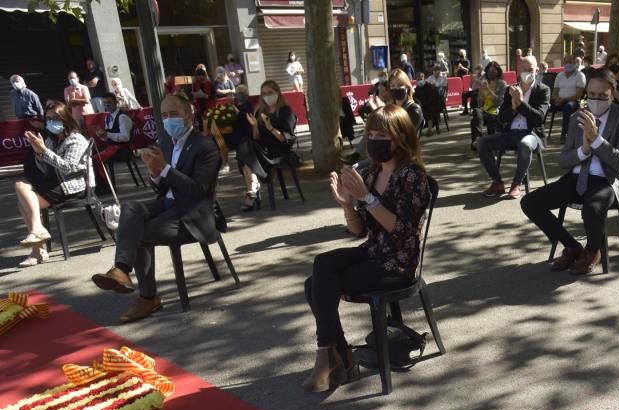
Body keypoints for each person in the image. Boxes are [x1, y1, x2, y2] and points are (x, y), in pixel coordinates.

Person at [303, 104, 431, 393]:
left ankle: (336, 357)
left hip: (397, 262)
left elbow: (402, 231)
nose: (374, 139)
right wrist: (348, 204)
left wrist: (367, 197)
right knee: (322, 267)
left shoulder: (413, 176)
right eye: (370, 132)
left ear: (401, 137)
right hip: (374, 251)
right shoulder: (372, 174)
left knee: (317, 286)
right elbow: (359, 230)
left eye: (381, 134)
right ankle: (332, 351)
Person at [91, 93, 221, 322]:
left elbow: (198, 191)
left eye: (174, 114)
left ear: (188, 114)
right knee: (131, 209)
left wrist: (164, 169)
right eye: (164, 116)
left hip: (193, 214)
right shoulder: (167, 144)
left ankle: (148, 298)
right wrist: (154, 173)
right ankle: (121, 270)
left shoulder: (205, 147)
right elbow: (161, 188)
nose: (169, 120)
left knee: (137, 232)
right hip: (168, 204)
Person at [521, 68, 619, 275]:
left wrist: (596, 140)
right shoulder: (577, 117)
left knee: (591, 209)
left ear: (613, 93)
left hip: (607, 181)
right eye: (591, 95)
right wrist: (583, 150)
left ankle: (593, 251)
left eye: (602, 95)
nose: (596, 99)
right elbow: (564, 160)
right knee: (530, 202)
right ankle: (573, 247)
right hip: (577, 177)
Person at [15, 101, 93, 268]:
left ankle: (38, 251)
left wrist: (44, 151)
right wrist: (38, 152)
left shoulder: (76, 139)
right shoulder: (53, 139)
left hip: (74, 185)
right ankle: (38, 232)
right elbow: (46, 165)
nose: (51, 123)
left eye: (55, 119)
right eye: (48, 119)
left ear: (65, 119)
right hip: (56, 182)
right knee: (21, 187)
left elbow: (68, 168)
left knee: (25, 202)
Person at [477, 55, 550, 200]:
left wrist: (521, 103)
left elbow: (539, 118)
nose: (527, 72)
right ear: (518, 70)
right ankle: (497, 182)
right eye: (523, 69)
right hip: (511, 133)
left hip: (532, 134)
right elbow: (502, 118)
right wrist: (513, 108)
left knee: (524, 144)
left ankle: (517, 183)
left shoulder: (543, 90)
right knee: (482, 143)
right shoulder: (511, 89)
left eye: (530, 69)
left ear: (537, 70)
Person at [236, 80, 297, 210]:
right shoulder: (260, 111)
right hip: (263, 149)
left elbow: (285, 139)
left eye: (270, 92)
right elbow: (257, 138)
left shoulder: (285, 111)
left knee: (245, 151)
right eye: (264, 93)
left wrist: (270, 127)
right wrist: (255, 126)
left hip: (278, 151)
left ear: (277, 93)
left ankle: (252, 189)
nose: (267, 96)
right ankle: (253, 185)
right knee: (245, 143)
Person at [94, 91, 134, 188]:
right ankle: (101, 185)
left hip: (123, 149)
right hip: (112, 147)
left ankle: (106, 187)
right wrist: (102, 135)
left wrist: (107, 134)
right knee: (92, 156)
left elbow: (125, 137)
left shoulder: (122, 117)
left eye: (109, 102)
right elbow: (109, 137)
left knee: (96, 159)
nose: (107, 105)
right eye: (105, 103)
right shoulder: (108, 117)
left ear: (116, 102)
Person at [471, 60, 507, 151]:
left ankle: (478, 140)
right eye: (490, 71)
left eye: (494, 71)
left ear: (498, 72)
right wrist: (481, 94)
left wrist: (489, 90)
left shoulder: (502, 84)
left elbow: (499, 102)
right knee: (477, 111)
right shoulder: (484, 83)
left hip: (495, 111)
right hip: (484, 111)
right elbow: (480, 103)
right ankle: (478, 138)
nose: (491, 73)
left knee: (476, 118)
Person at [552, 56, 587, 139]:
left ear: (575, 63)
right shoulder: (559, 75)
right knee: (546, 105)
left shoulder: (580, 76)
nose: (568, 64)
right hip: (559, 100)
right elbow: (554, 92)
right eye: (566, 62)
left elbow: (578, 95)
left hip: (574, 101)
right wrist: (556, 99)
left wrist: (564, 99)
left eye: (570, 62)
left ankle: (565, 133)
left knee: (568, 106)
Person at [385, 69, 425, 137]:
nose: (396, 88)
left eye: (400, 85)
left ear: (407, 87)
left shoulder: (414, 110)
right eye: (393, 86)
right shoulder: (391, 107)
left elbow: (402, 136)